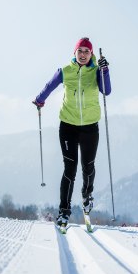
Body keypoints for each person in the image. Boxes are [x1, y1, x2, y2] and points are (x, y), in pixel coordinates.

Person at [33, 37, 111, 227]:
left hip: (90, 127)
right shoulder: (64, 71)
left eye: (87, 51)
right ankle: (64, 211)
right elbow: (49, 86)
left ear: (91, 54)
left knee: (88, 166)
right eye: (80, 51)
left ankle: (87, 195)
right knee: (70, 169)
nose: (83, 55)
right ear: (74, 53)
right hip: (68, 126)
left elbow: (106, 91)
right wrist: (39, 99)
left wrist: (105, 71)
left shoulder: (96, 71)